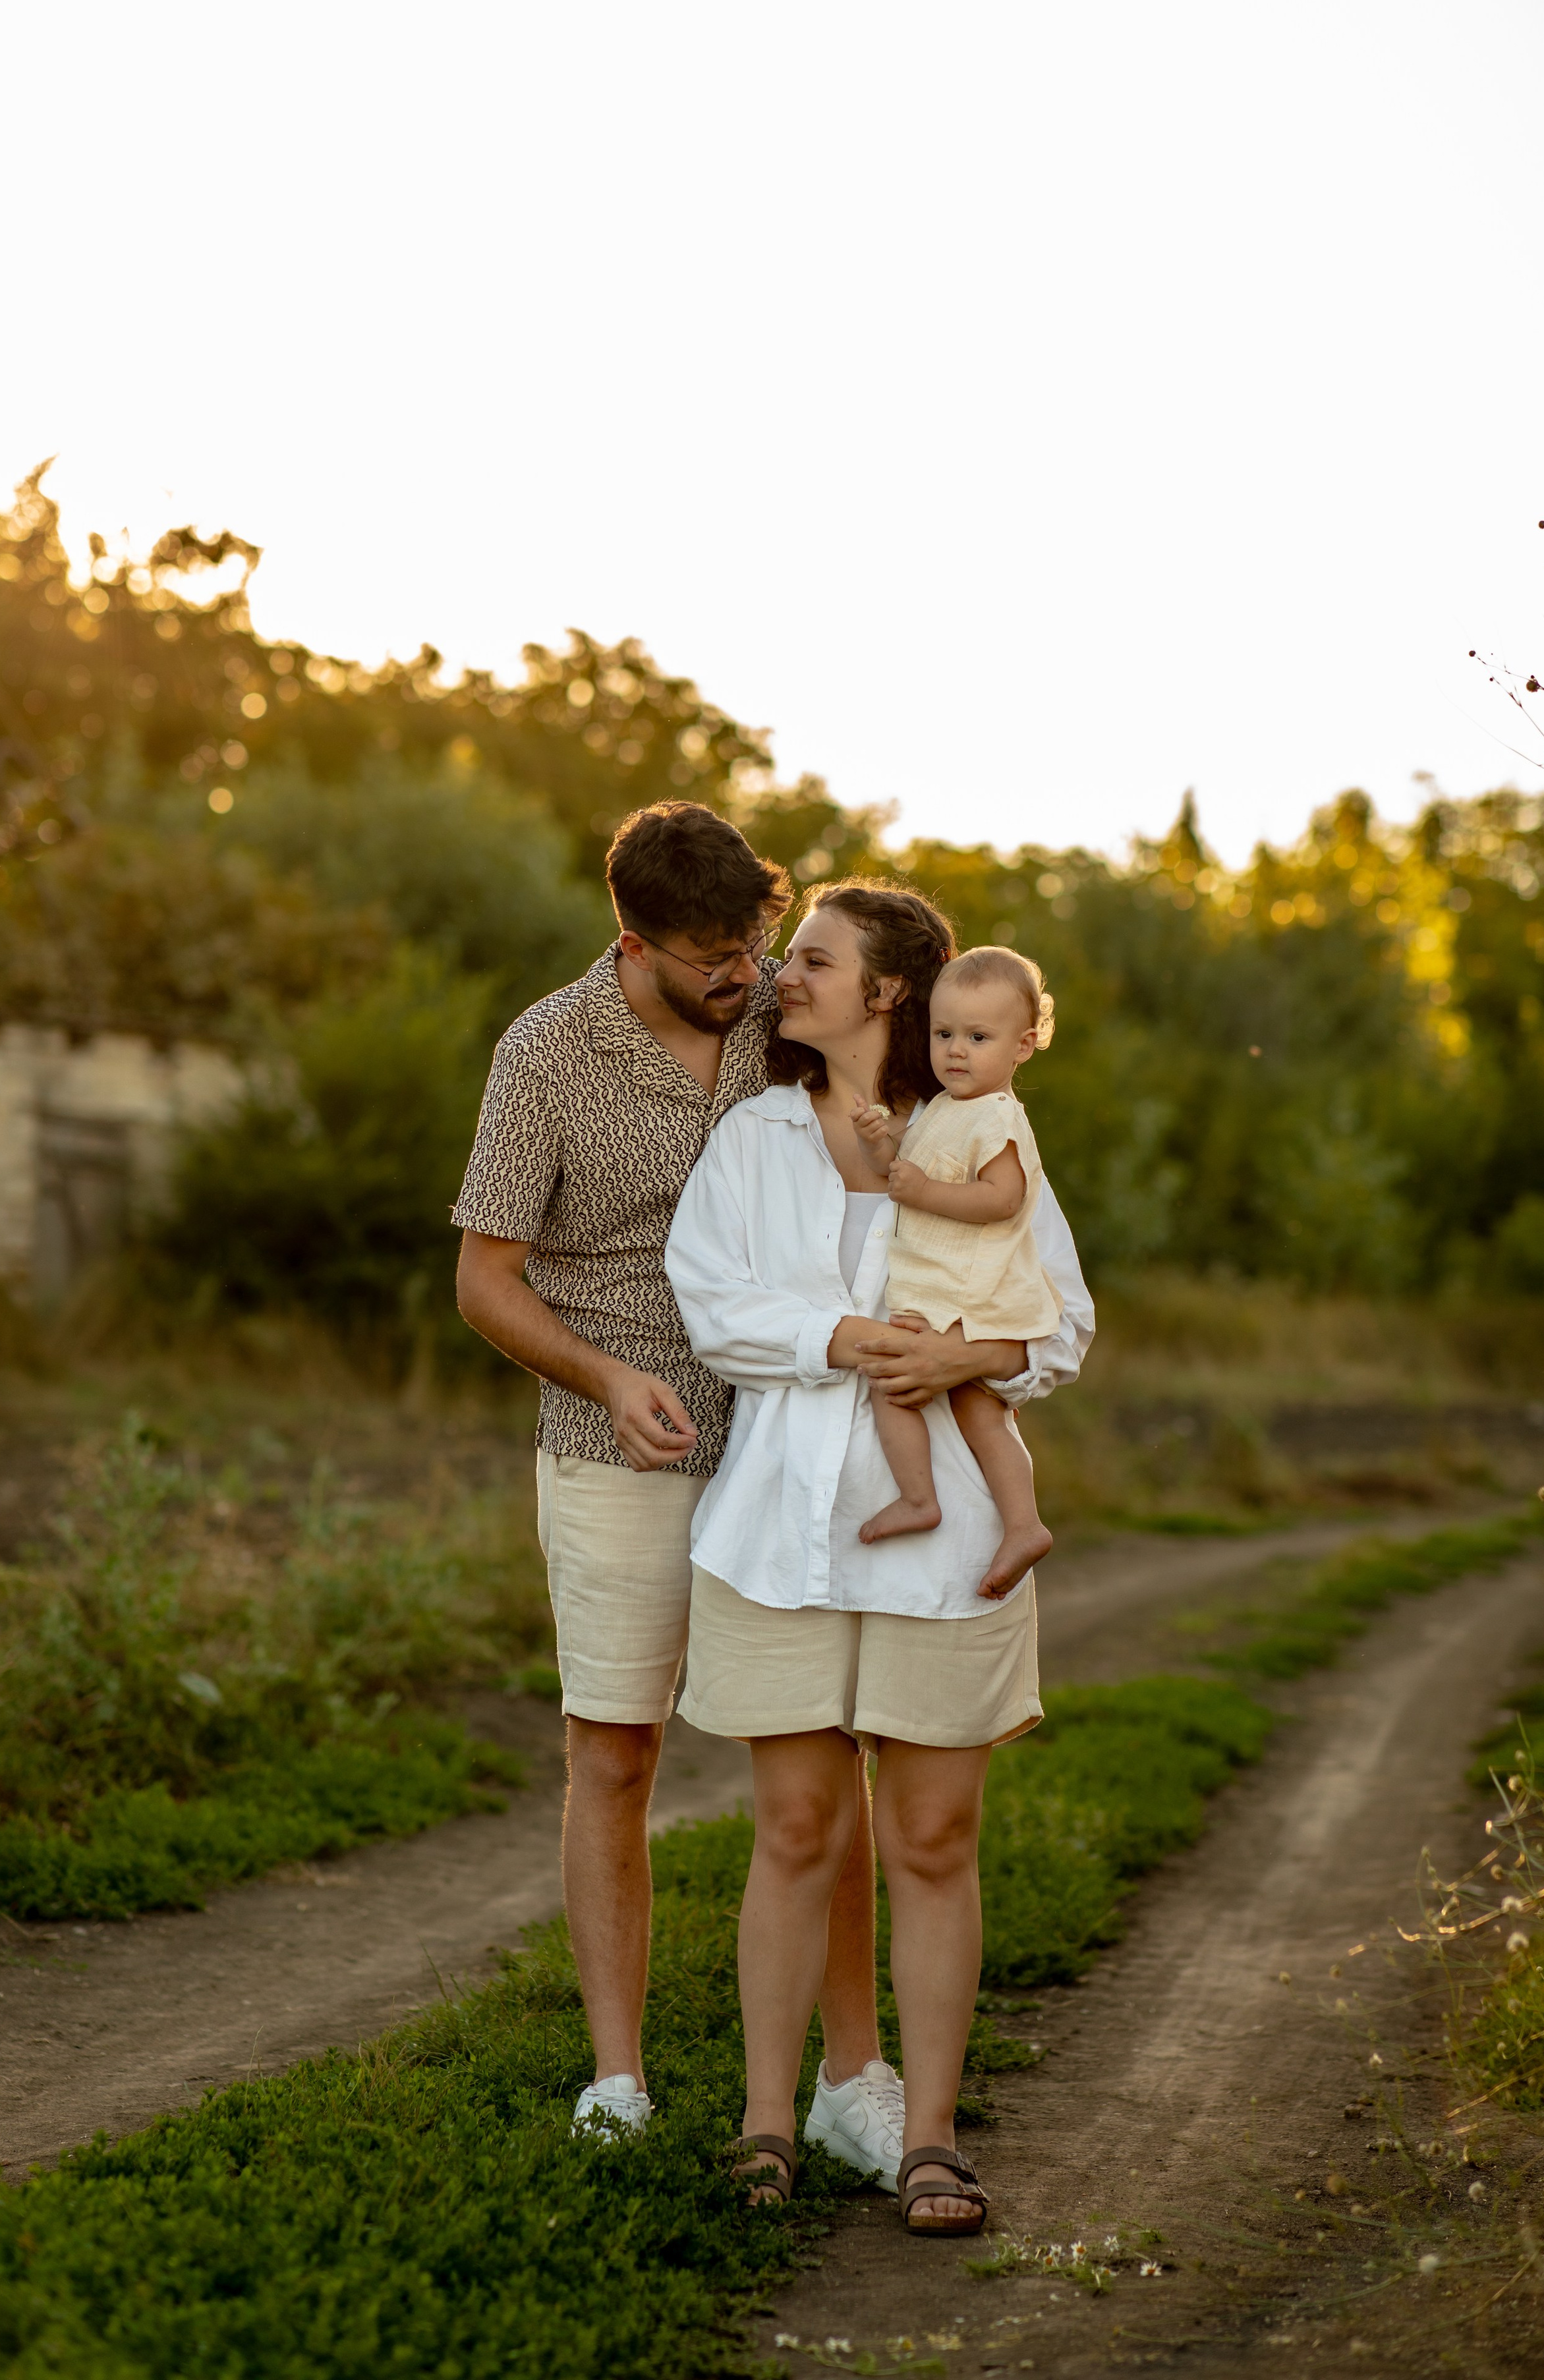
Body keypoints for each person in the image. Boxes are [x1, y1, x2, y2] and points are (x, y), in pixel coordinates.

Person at [452, 803, 902, 2166]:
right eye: (711, 955)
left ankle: (850, 2082)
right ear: (629, 939)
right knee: (614, 1750)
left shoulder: (786, 1009)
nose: (743, 977)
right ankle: (618, 2081)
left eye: (754, 944)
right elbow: (482, 1279)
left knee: (814, 1754)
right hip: (618, 1434)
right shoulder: (543, 1053)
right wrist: (599, 1378)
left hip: (789, 1425)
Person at [664, 882, 1093, 2231]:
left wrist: (964, 1353)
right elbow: (712, 1305)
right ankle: (765, 2123)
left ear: (888, 990)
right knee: (794, 1828)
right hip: (776, 1537)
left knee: (930, 1832)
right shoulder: (753, 1141)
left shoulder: (975, 1136)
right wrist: (846, 1343)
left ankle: (926, 2139)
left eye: (813, 959)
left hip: (945, 1542)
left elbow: (1063, 1325)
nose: (784, 975)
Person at [849, 945, 1062, 1602]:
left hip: (967, 1292)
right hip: (952, 1289)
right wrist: (882, 1140)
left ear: (1023, 1046)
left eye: (977, 1036)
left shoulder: (996, 1114)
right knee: (977, 1410)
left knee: (895, 1382)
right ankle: (1019, 1524)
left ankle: (923, 1499)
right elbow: (909, 1167)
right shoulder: (945, 1107)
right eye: (944, 1034)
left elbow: (1000, 1198)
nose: (956, 1051)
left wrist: (921, 1193)